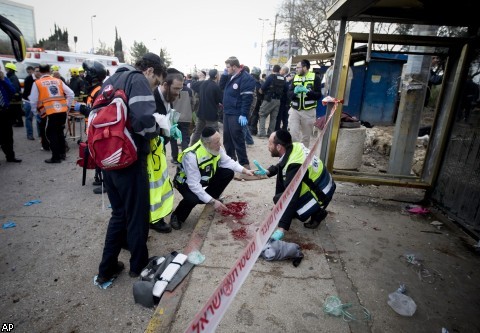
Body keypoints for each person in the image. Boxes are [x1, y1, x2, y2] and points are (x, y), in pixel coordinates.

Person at [94, 52, 168, 284]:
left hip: (108, 156)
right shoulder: (137, 79)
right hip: (130, 159)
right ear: (149, 71)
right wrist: (160, 129)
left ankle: (107, 268)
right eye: (155, 81)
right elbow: (143, 122)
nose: (154, 86)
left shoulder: (111, 80)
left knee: (119, 214)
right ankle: (138, 265)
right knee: (137, 215)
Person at [169, 127, 255, 230]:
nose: (220, 145)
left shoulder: (216, 148)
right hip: (185, 183)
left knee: (228, 172)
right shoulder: (192, 156)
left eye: (219, 141)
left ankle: (212, 197)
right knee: (193, 198)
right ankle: (177, 216)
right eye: (217, 142)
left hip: (203, 178)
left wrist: (245, 171)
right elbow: (194, 185)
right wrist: (213, 202)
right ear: (207, 143)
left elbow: (228, 161)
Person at [262, 130, 335, 240]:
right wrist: (269, 171)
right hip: (323, 183)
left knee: (280, 200)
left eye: (270, 143)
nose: (268, 146)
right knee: (282, 199)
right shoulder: (293, 147)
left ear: (278, 147)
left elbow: (291, 197)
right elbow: (283, 163)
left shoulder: (294, 166)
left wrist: (282, 227)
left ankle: (318, 213)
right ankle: (304, 210)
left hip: (322, 192)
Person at [150, 67, 184, 234]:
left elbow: (167, 116)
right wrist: (159, 133)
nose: (178, 93)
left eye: (180, 89)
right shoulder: (152, 98)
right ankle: (154, 220)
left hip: (160, 146)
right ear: (164, 84)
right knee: (154, 186)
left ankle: (156, 217)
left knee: (161, 185)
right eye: (176, 88)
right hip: (150, 150)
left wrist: (171, 127)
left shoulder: (168, 97)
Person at [29, 63, 75, 163]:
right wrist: (67, 106)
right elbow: (71, 93)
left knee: (51, 134)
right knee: (60, 132)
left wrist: (35, 112)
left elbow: (33, 100)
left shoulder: (37, 83)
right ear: (49, 71)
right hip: (62, 111)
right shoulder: (58, 81)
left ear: (40, 72)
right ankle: (62, 154)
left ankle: (56, 157)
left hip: (49, 113)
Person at [74, 59, 108, 194]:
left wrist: (82, 109)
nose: (85, 75)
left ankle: (107, 183)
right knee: (96, 155)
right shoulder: (94, 90)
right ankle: (99, 177)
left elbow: (99, 113)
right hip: (93, 130)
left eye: (87, 72)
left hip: (99, 130)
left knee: (102, 156)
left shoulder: (99, 91)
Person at [219, 56, 256, 169]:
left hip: (236, 113)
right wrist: (224, 75)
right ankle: (231, 161)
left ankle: (244, 163)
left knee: (237, 139)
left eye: (228, 67)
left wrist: (243, 114)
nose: (227, 69)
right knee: (227, 139)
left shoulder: (245, 78)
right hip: (227, 112)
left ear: (235, 67)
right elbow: (221, 87)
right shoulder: (230, 76)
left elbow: (247, 98)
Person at [288, 59, 322, 148]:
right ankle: (294, 155)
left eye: (298, 67)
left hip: (308, 112)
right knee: (293, 135)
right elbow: (289, 94)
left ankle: (303, 158)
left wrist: (307, 91)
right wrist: (294, 92)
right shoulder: (295, 78)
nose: (296, 69)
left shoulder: (315, 78)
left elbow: (318, 95)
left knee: (305, 138)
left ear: (305, 67)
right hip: (294, 110)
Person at [190, 69, 223, 145]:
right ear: (216, 76)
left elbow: (193, 85)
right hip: (211, 115)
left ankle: (192, 148)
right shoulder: (215, 87)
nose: (219, 76)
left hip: (200, 113)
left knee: (197, 132)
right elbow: (221, 100)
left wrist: (199, 78)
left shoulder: (203, 83)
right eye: (218, 74)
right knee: (215, 134)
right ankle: (216, 151)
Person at [257, 64, 286, 137]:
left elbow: (263, 87)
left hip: (269, 99)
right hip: (278, 100)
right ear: (279, 70)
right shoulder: (283, 78)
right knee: (273, 118)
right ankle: (270, 133)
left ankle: (262, 133)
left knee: (262, 114)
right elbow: (285, 89)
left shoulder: (270, 77)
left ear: (273, 69)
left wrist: (261, 91)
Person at [170, 76, 193, 164]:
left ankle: (175, 158)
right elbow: (193, 103)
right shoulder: (189, 90)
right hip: (186, 117)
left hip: (174, 117)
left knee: (173, 138)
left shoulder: (172, 89)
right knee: (185, 138)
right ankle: (185, 158)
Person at [0, 68, 22, 163]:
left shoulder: (4, 80)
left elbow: (12, 90)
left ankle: (10, 156)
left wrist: (3, 80)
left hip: (5, 111)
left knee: (8, 136)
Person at [22, 66, 41, 140]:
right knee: (29, 118)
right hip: (28, 101)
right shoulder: (29, 79)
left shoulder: (41, 79)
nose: (38, 72)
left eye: (39, 71)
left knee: (39, 118)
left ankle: (40, 134)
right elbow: (29, 92)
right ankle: (30, 135)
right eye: (36, 71)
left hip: (37, 102)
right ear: (33, 71)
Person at [5, 63, 22, 128]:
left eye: (7, 69)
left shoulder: (13, 77)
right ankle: (15, 122)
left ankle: (19, 122)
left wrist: (13, 96)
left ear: (10, 70)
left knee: (17, 110)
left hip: (16, 97)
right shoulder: (11, 76)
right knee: (14, 110)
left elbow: (15, 88)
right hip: (14, 97)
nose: (6, 70)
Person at [275, 65, 291, 131]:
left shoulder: (287, 78)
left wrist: (286, 82)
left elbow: (287, 88)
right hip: (285, 100)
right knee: (284, 115)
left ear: (284, 71)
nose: (280, 71)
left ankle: (279, 129)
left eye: (281, 70)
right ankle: (283, 128)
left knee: (281, 115)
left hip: (284, 99)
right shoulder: (285, 78)